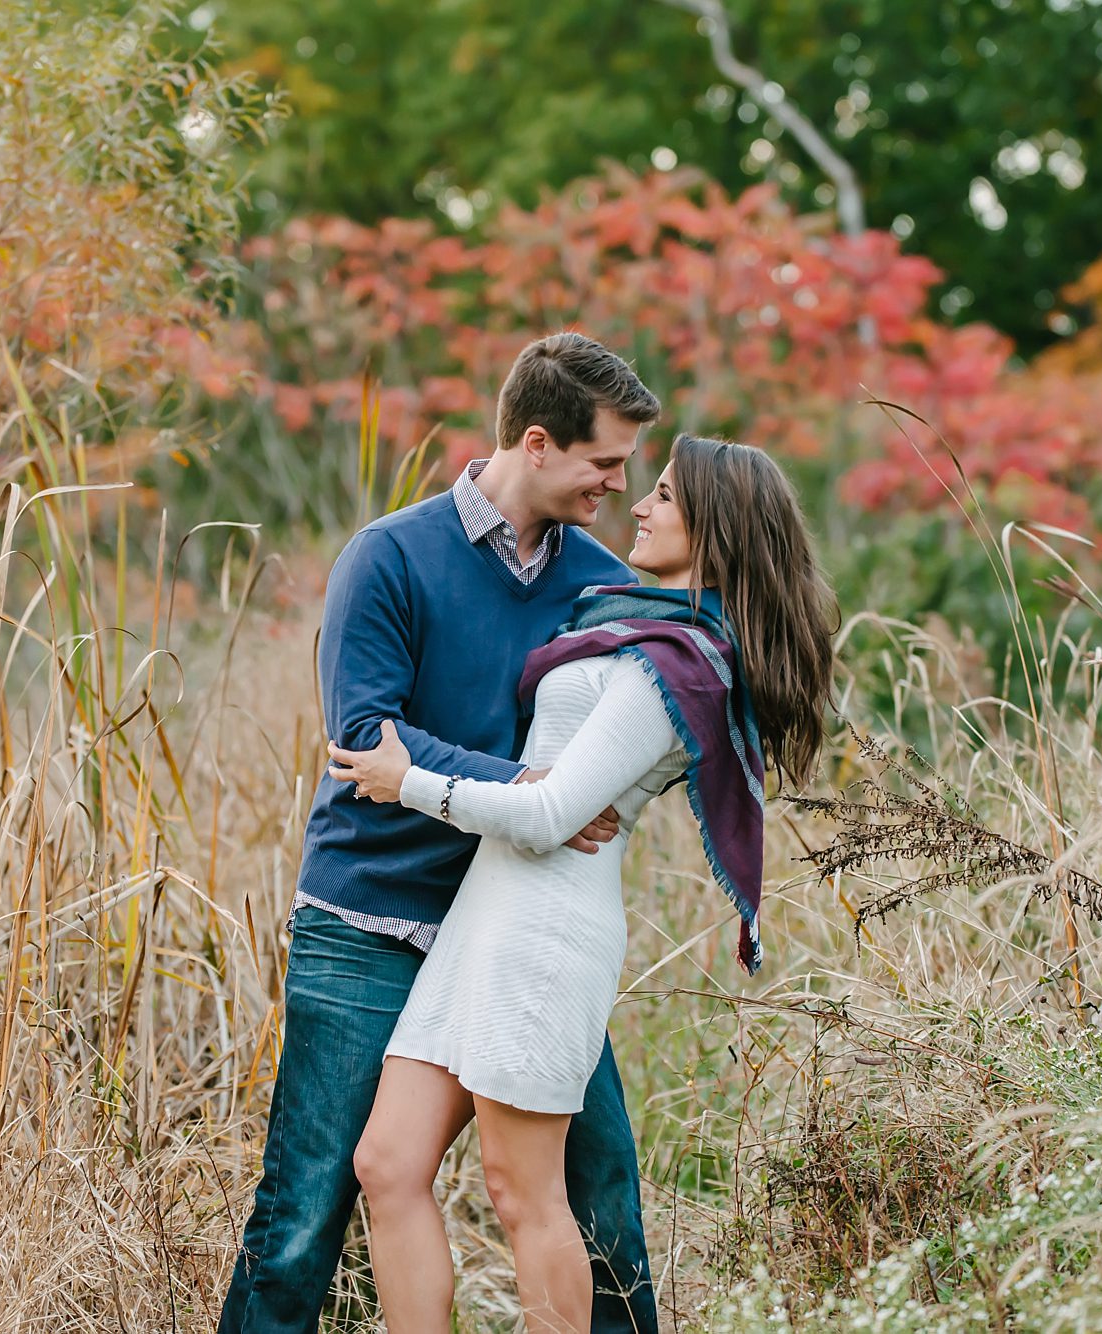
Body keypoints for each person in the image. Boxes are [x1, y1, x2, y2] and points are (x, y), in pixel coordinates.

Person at [329, 434, 838, 1333]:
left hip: (546, 936)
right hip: (486, 916)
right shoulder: (634, 623)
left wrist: (408, 782)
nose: (638, 503)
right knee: (388, 1164)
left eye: (665, 496)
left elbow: (551, 814)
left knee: (522, 1194)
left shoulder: (677, 665)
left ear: (716, 530)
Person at [217, 333, 664, 1332]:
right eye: (603, 461)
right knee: (304, 1210)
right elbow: (364, 739)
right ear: (537, 443)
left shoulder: (602, 586)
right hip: (369, 919)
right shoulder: (389, 556)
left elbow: (634, 730)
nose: (618, 484)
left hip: (516, 925)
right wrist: (533, 788)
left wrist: (578, 793)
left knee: (602, 1197)